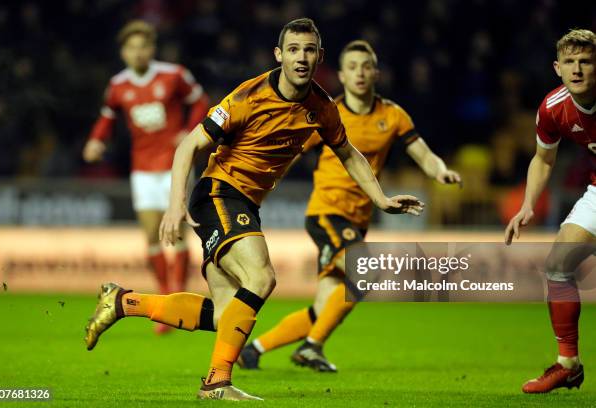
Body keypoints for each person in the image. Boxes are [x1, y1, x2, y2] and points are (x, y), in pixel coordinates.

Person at [84, 18, 424, 401]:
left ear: (319, 57)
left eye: (309, 50)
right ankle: (216, 383)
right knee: (261, 277)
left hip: (246, 203)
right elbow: (187, 147)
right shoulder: (248, 97)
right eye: (293, 49)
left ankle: (122, 302)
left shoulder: (322, 107)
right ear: (279, 55)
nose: (301, 57)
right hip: (218, 192)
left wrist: (380, 199)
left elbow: (348, 153)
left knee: (226, 314)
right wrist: (174, 203)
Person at [237, 40, 461, 372]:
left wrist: (440, 171)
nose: (360, 72)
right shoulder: (327, 114)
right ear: (341, 75)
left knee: (325, 306)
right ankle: (312, 348)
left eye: (366, 66)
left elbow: (422, 153)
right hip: (326, 211)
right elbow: (287, 153)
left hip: (358, 219)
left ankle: (254, 350)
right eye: (352, 67)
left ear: (376, 73)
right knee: (365, 271)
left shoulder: (393, 115)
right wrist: (257, 184)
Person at [82, 20, 209, 333]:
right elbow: (107, 117)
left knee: (175, 229)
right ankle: (165, 296)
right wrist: (96, 139)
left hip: (173, 165)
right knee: (151, 235)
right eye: (131, 48)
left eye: (143, 47)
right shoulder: (118, 85)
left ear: (151, 49)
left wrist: (188, 133)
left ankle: (175, 297)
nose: (138, 53)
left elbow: (200, 101)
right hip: (142, 168)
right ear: (123, 52)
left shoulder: (173, 75)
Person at [504, 29, 596, 394]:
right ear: (557, 68)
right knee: (558, 266)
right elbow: (544, 159)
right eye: (570, 62)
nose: (577, 69)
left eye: (586, 62)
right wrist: (527, 205)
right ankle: (568, 366)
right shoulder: (554, 107)